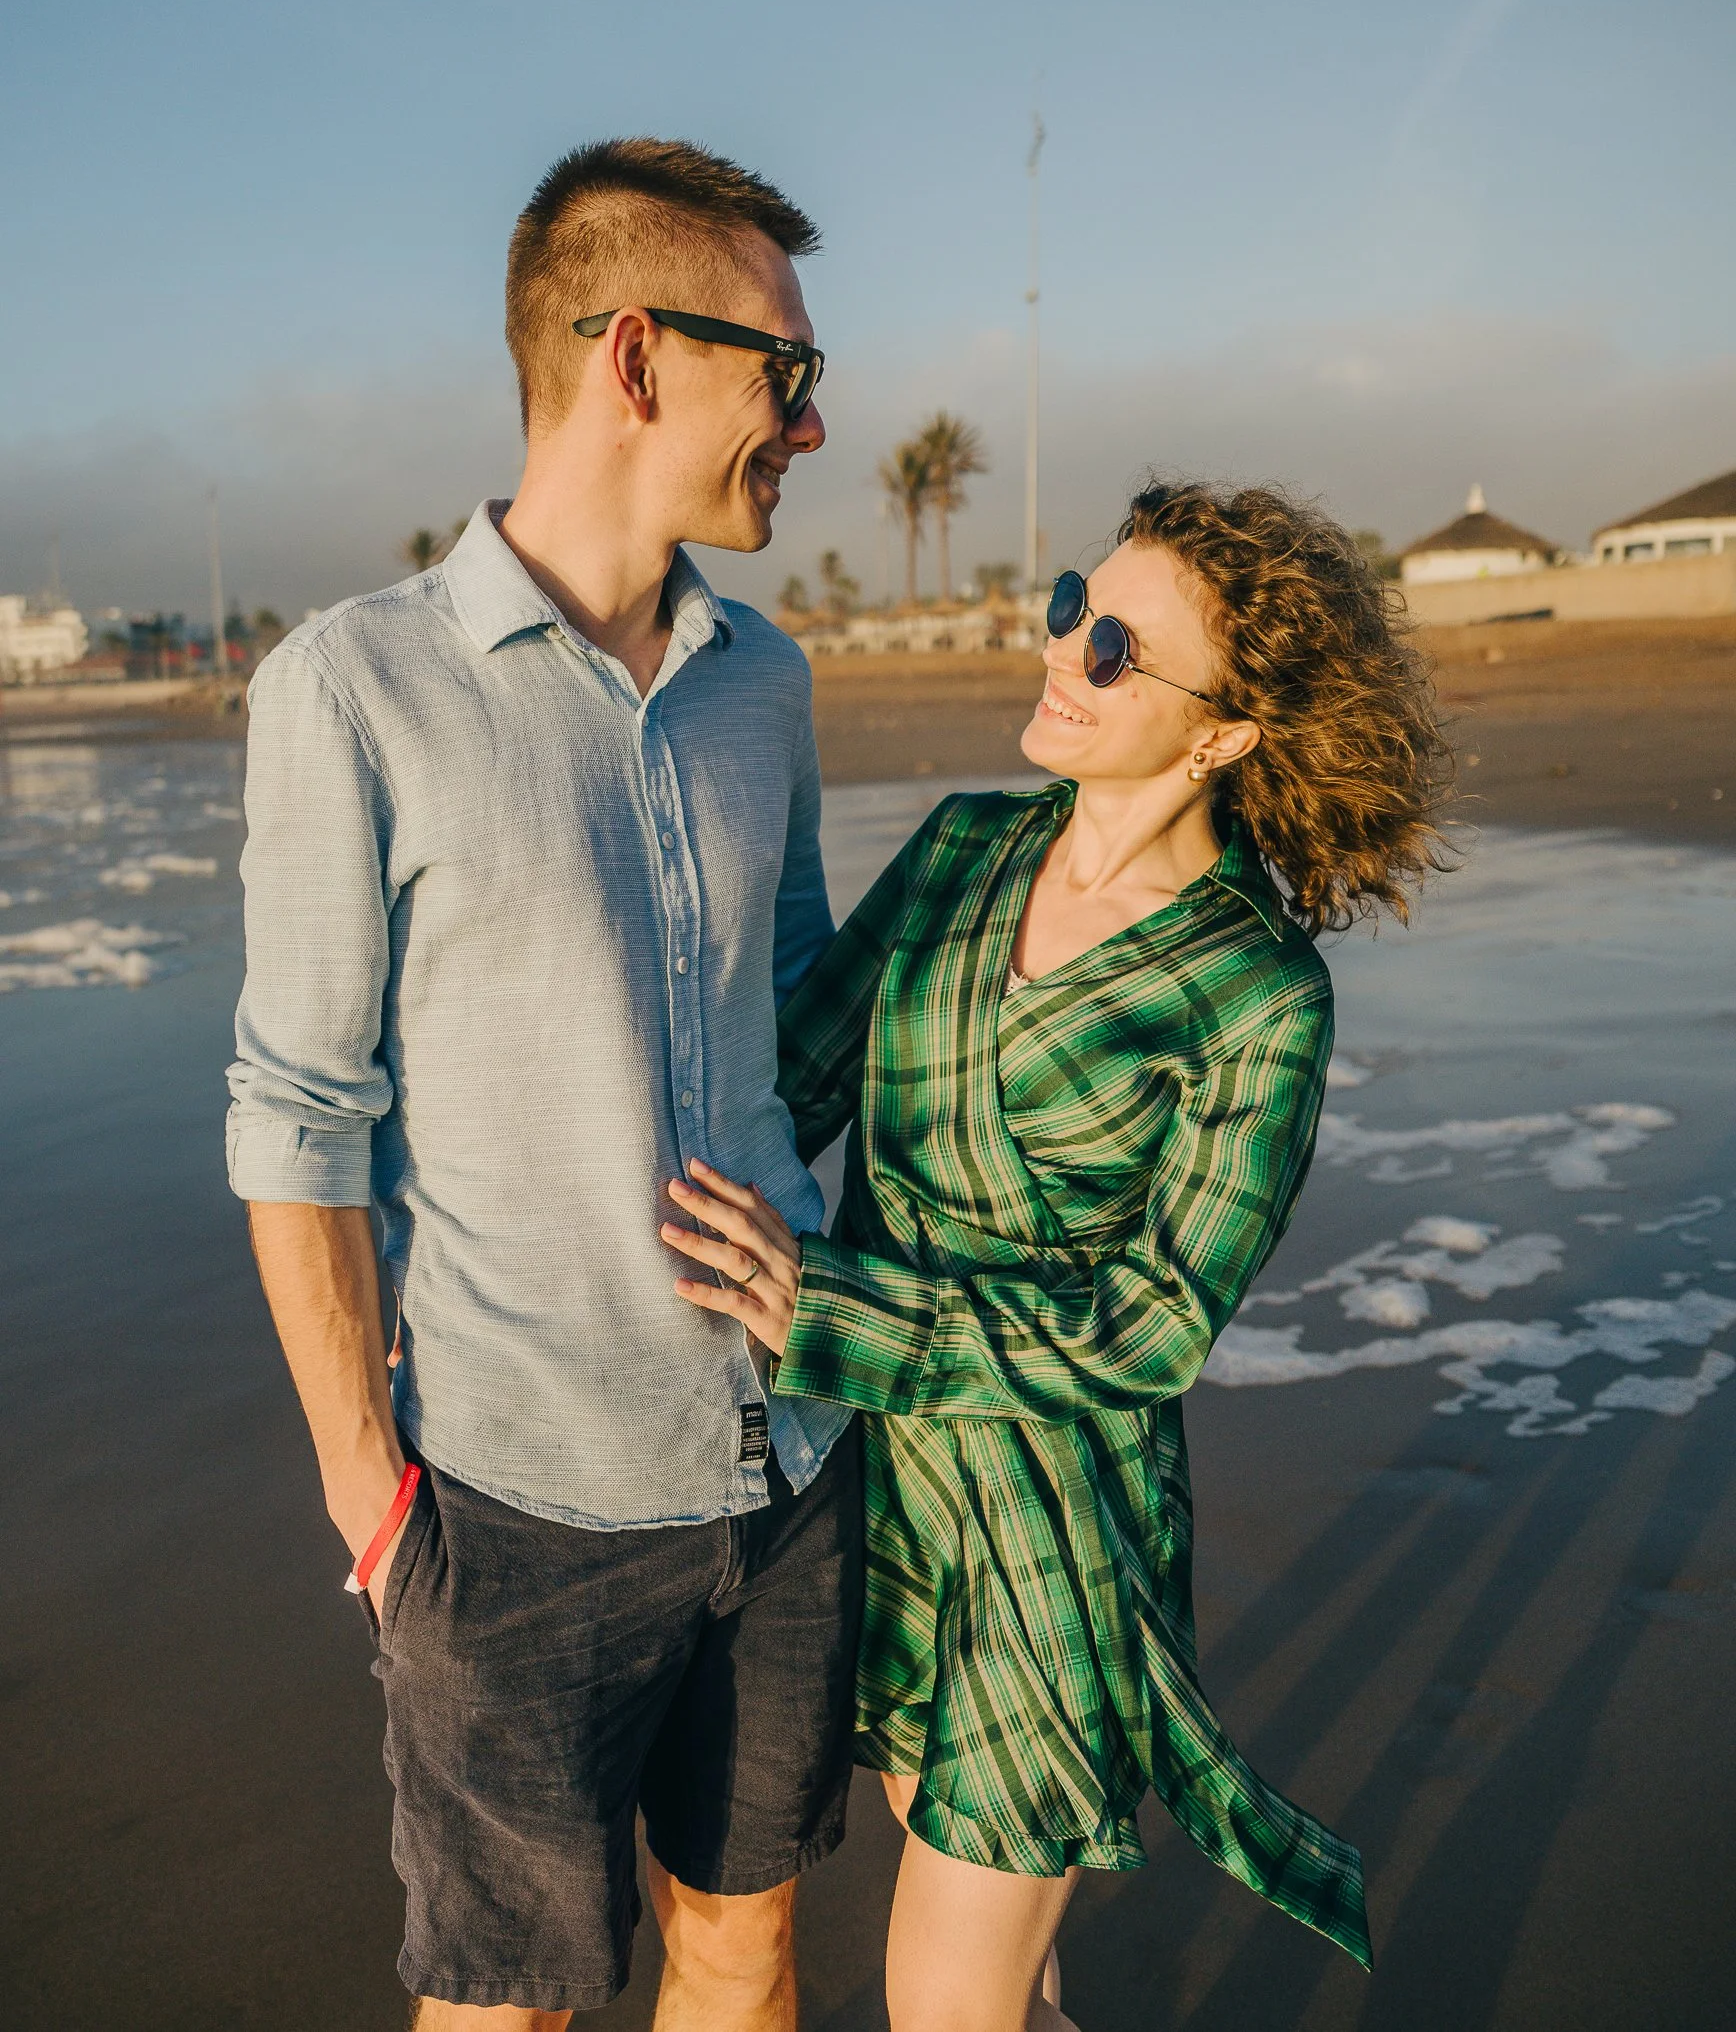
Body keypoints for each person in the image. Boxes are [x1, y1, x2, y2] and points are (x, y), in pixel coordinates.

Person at [660, 480, 1453, 2029]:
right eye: (1075, 604)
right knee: (1004, 1987)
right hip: (878, 1495)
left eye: (1115, 652)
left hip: (1055, 1536)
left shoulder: (1258, 994)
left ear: (1223, 732)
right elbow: (788, 1083)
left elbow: (1152, 1325)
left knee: (944, 2004)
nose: (1063, 650)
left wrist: (836, 1301)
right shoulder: (963, 850)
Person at [228, 138, 860, 2030]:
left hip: (793, 1459)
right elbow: (298, 1116)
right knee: (510, 2004)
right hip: (514, 1515)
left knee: (743, 1949)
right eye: (791, 373)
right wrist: (371, 1497)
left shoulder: (770, 685)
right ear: (640, 354)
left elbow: (817, 1027)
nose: (811, 428)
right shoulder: (353, 688)